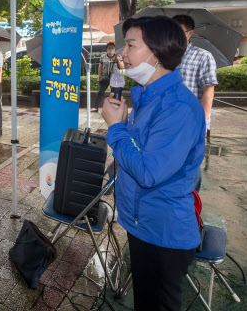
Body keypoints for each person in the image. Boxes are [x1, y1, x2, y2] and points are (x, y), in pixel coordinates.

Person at [102, 15, 205, 311]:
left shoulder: (179, 107)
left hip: (164, 234)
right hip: (142, 224)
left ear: (156, 53)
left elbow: (149, 172)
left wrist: (116, 129)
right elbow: (137, 152)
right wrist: (122, 122)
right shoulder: (148, 98)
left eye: (131, 45)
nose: (122, 53)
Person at [173, 15, 218, 192]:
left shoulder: (203, 56)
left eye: (179, 31)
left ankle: (192, 210)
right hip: (169, 120)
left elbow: (208, 91)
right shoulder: (165, 56)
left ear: (190, 33)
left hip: (192, 122)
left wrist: (202, 121)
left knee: (189, 166)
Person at [92, 42, 124, 113]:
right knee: (100, 92)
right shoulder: (103, 56)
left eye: (112, 48)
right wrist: (99, 76)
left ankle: (115, 108)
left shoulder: (118, 56)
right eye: (109, 48)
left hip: (115, 78)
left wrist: (118, 60)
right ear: (106, 49)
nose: (111, 49)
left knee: (114, 93)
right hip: (105, 77)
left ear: (114, 49)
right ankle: (95, 107)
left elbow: (122, 67)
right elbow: (100, 67)